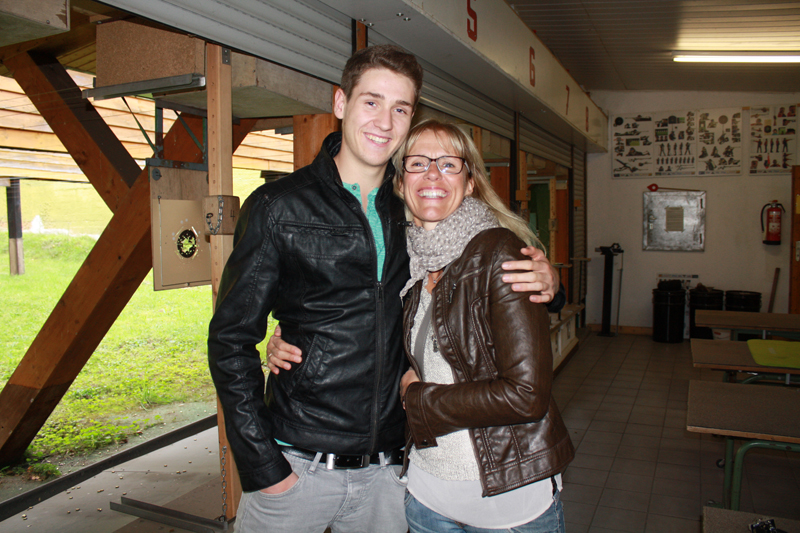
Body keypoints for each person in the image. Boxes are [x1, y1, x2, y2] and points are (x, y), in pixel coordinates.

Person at [208, 44, 562, 533]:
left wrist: (550, 280)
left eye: (400, 108)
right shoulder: (278, 207)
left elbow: (487, 266)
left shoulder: (416, 210)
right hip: (298, 466)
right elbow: (229, 340)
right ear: (340, 103)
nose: (384, 121)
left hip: (391, 473)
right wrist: (263, 467)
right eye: (371, 101)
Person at [395, 120, 574, 532]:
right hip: (427, 500)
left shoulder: (500, 252)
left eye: (448, 164)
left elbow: (527, 395)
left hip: (510, 504)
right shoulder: (409, 262)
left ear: (471, 181)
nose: (432, 174)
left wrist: (420, 400)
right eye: (418, 163)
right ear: (401, 183)